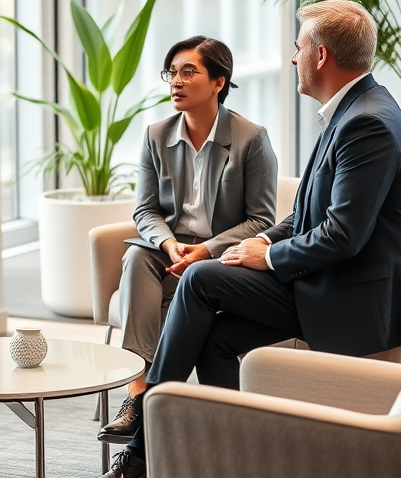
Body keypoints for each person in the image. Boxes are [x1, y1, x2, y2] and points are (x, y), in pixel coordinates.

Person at [85, 0, 401, 478]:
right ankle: (233, 458)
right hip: (332, 280)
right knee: (216, 336)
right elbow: (305, 216)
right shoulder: (351, 111)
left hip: (362, 296)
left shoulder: (366, 123)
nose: (292, 58)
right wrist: (258, 242)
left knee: (203, 281)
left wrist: (264, 256)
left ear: (320, 56)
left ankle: (143, 442)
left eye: (297, 47)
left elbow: (342, 235)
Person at [98, 36, 277, 443]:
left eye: (188, 72)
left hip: (221, 255)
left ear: (219, 81)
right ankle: (138, 397)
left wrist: (207, 250)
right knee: (136, 260)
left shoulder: (251, 139)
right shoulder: (155, 135)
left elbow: (262, 220)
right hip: (169, 249)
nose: (175, 81)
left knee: (166, 273)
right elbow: (145, 211)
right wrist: (167, 245)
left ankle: (151, 410)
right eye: (171, 73)